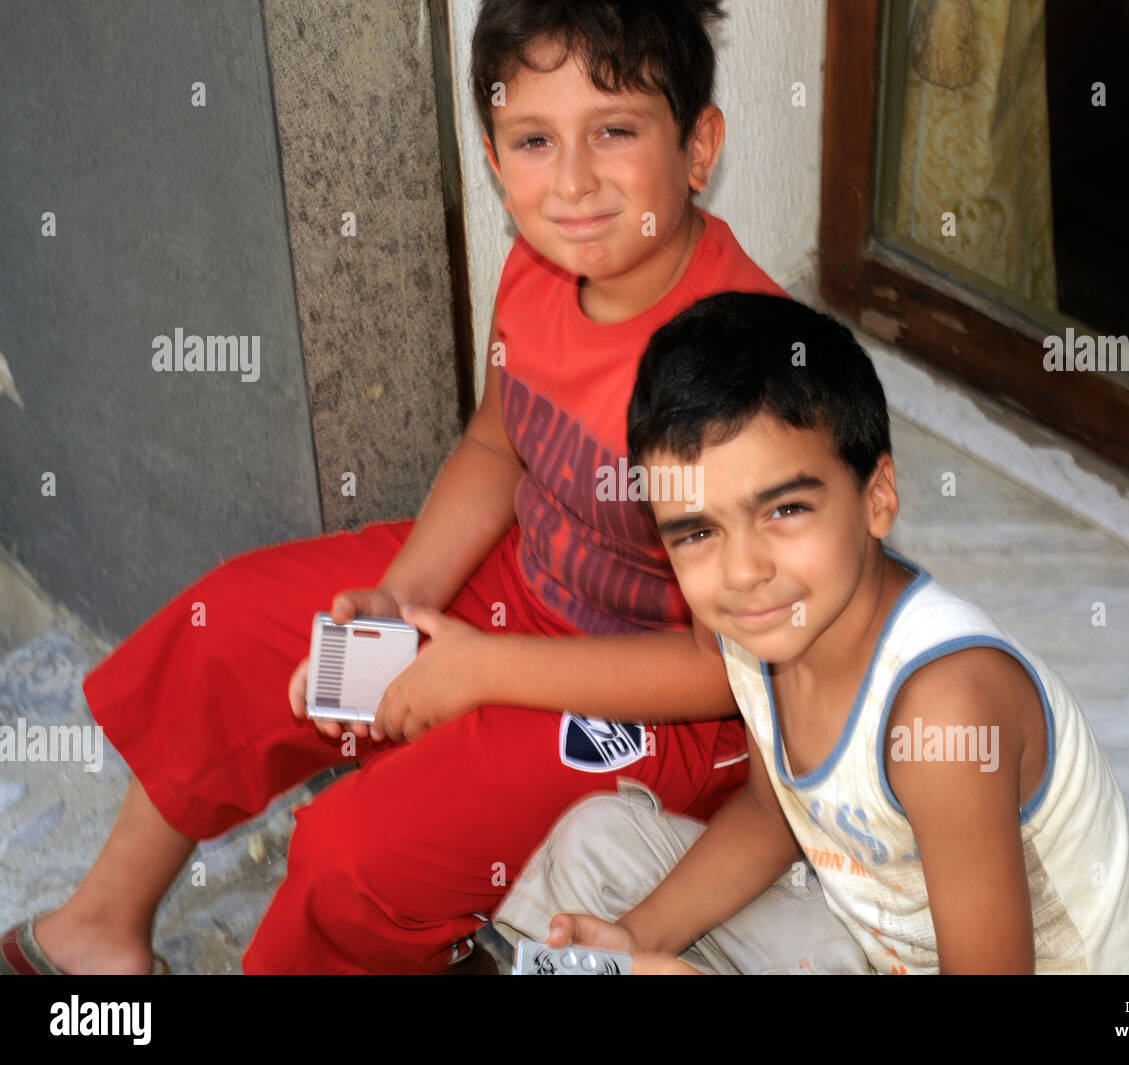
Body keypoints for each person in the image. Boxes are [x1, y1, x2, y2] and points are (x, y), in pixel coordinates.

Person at [0, 0, 777, 976]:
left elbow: (726, 672)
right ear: (492, 160)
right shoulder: (545, 270)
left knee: (353, 855)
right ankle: (96, 934)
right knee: (232, 632)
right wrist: (402, 605)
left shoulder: (742, 371)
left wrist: (480, 671)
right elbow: (498, 446)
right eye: (534, 139)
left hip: (670, 716)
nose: (572, 181)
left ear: (697, 147)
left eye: (614, 132)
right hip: (523, 589)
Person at [489, 292, 1129, 974]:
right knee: (594, 844)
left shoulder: (942, 710)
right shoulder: (763, 623)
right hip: (872, 935)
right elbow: (771, 814)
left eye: (784, 508)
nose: (743, 570)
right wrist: (635, 936)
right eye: (698, 531)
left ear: (878, 496)